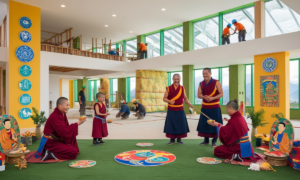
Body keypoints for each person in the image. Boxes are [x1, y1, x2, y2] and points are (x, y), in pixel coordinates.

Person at [163, 74, 193, 145]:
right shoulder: (169, 88)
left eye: (178, 79)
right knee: (171, 124)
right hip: (171, 110)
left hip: (180, 109)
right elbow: (164, 98)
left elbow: (185, 98)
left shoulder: (182, 88)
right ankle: (172, 139)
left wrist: (188, 103)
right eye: (175, 79)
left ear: (180, 79)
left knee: (180, 124)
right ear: (173, 79)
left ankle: (179, 139)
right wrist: (169, 101)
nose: (177, 80)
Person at [197, 68, 223, 147]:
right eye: (203, 74)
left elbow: (221, 94)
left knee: (214, 123)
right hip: (205, 107)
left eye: (206, 73)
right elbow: (199, 95)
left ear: (210, 73)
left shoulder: (216, 82)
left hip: (215, 107)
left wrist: (212, 98)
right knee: (206, 124)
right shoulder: (201, 83)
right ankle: (206, 140)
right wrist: (204, 97)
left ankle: (214, 141)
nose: (205, 75)